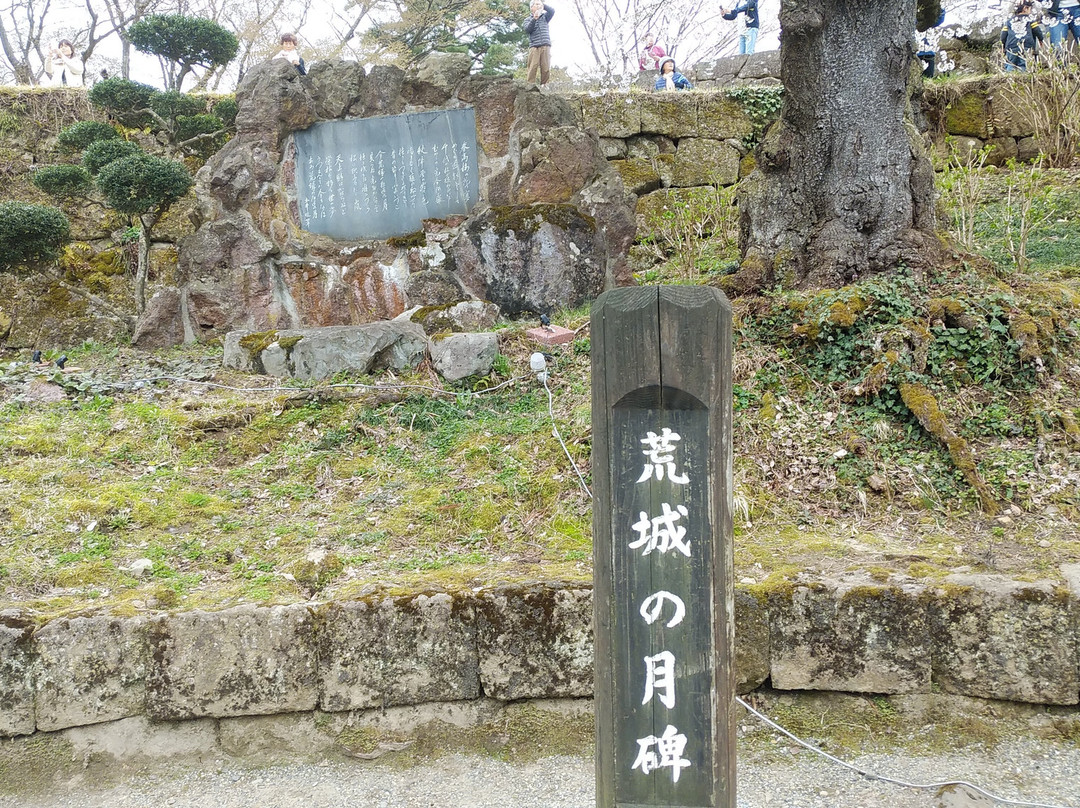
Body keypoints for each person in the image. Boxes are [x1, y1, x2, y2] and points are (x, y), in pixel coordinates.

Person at [1000, 1, 1045, 72]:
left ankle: (1009, 77)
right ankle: (1023, 78)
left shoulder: (1009, 21)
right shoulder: (1030, 20)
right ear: (1025, 8)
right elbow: (1037, 31)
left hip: (1011, 46)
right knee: (1024, 63)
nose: (1030, 12)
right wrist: (1041, 39)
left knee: (1010, 63)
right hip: (1026, 45)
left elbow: (1003, 34)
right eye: (1030, 9)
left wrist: (1002, 45)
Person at [524, 1, 555, 84]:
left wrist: (543, 6)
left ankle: (545, 87)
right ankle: (530, 86)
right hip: (534, 46)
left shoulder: (545, 17)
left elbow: (552, 11)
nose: (538, 6)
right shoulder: (527, 19)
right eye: (536, 4)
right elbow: (527, 29)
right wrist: (534, 19)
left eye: (539, 4)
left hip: (545, 44)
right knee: (532, 67)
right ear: (531, 8)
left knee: (546, 68)